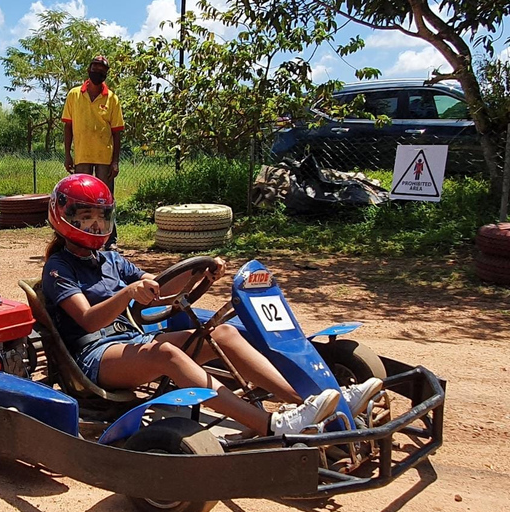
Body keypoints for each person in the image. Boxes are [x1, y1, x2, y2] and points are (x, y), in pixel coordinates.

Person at [42, 174, 383, 436]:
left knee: (222, 333)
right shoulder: (59, 267)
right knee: (167, 354)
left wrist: (198, 268)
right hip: (94, 357)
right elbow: (87, 320)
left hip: (129, 343)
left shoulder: (110, 259)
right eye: (86, 216)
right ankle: (271, 424)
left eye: (101, 216)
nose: (96, 225)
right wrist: (128, 293)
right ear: (64, 216)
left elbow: (159, 291)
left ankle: (310, 403)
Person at [61, 55, 123, 251]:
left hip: (104, 157)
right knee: (81, 199)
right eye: (94, 67)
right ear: (88, 70)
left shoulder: (112, 98)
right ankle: (80, 238)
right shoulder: (74, 95)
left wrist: (115, 161)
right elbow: (68, 127)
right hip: (82, 156)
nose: (97, 71)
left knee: (105, 199)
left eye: (101, 69)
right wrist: (68, 154)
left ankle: (110, 240)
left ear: (106, 73)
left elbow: (117, 132)